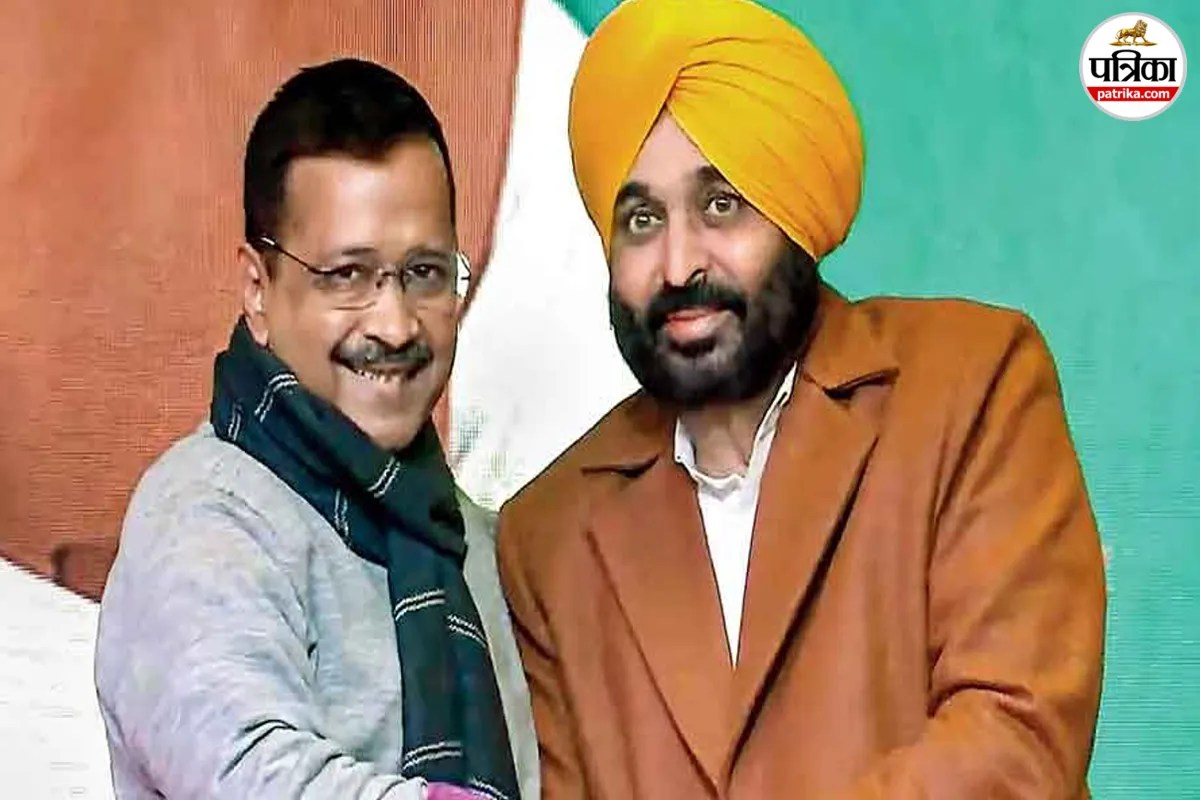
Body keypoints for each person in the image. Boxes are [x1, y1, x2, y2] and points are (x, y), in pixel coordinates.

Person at [495, 0, 1107, 797]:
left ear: (793, 213)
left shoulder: (972, 385)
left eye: (721, 206)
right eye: (641, 219)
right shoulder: (547, 537)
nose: (679, 265)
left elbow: (1014, 741)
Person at [95, 58, 537, 800]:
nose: (395, 324)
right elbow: (250, 774)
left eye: (425, 273)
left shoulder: (474, 546)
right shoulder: (203, 518)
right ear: (257, 289)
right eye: (347, 276)